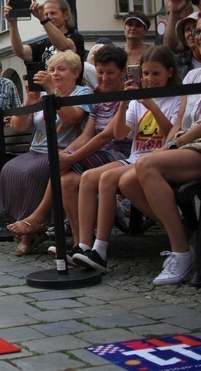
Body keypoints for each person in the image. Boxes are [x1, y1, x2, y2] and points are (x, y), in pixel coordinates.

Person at [7, 47, 130, 259]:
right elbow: (89, 134)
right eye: (100, 73)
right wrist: (30, 100)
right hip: (86, 151)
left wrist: (71, 156)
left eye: (109, 73)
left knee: (56, 164)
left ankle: (38, 218)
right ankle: (81, 243)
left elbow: (102, 135)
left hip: (117, 152)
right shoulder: (99, 98)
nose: (103, 77)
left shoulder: (107, 95)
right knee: (64, 180)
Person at [73, 46, 182, 273]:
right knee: (88, 177)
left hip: (160, 158)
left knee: (106, 179)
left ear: (169, 72)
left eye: (155, 74)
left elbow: (172, 134)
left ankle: (101, 250)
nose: (149, 79)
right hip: (136, 157)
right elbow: (121, 133)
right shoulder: (135, 100)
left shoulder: (177, 98)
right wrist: (124, 103)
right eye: (145, 74)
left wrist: (152, 106)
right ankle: (84, 245)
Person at [0, 50, 91, 255]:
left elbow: (72, 118)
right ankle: (29, 224)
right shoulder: (44, 94)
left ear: (75, 73)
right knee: (10, 169)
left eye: (61, 69)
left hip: (63, 151)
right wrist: (29, 102)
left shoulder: (82, 93)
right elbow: (19, 126)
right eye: (52, 69)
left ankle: (33, 227)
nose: (55, 74)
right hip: (36, 150)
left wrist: (52, 90)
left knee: (32, 172)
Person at [119, 39, 201, 284]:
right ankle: (186, 237)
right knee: (128, 181)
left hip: (195, 144)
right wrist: (168, 145)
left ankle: (181, 251)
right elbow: (180, 123)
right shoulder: (193, 76)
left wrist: (174, 145)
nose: (196, 37)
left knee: (146, 164)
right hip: (185, 144)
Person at [6, 0, 85, 82]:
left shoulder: (75, 38)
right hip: (47, 92)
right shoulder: (42, 44)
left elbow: (63, 46)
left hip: (70, 93)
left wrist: (43, 19)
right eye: (46, 14)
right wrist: (12, 23)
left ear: (65, 15)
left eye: (53, 13)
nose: (49, 17)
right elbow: (20, 51)